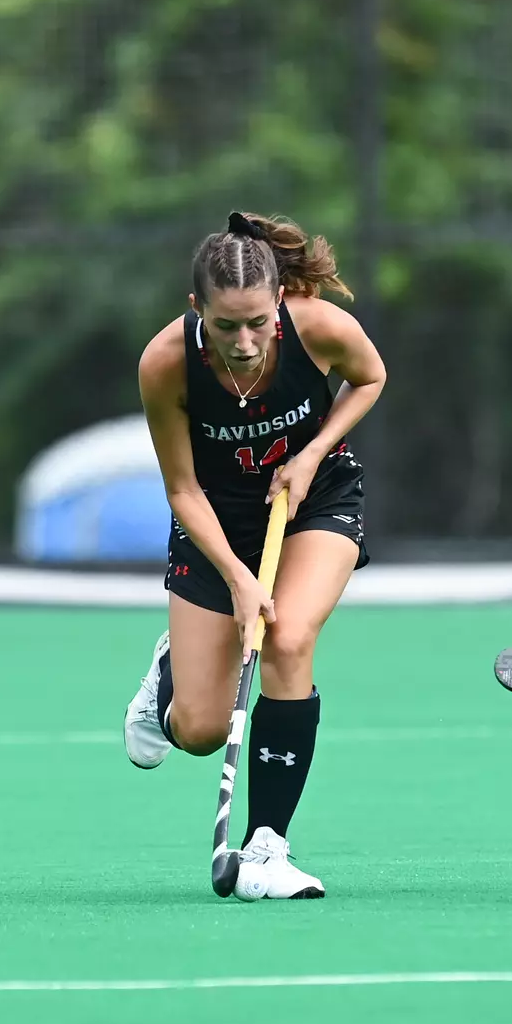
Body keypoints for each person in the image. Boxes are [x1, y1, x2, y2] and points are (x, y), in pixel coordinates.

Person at [122, 211, 387, 899]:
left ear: (280, 302)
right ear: (196, 308)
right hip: (216, 520)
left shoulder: (319, 327)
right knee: (201, 731)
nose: (244, 343)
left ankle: (268, 845)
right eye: (225, 326)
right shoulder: (166, 363)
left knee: (288, 638)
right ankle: (169, 674)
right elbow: (182, 489)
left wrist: (312, 452)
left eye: (258, 323)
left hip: (314, 499)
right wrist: (239, 579)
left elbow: (370, 378)